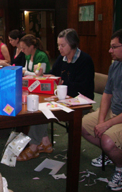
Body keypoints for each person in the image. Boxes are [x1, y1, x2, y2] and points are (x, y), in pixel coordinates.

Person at [17, 28, 95, 162]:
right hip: (62, 98)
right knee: (39, 106)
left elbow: (83, 87)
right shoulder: (62, 59)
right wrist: (44, 75)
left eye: (63, 45)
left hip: (80, 102)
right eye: (58, 45)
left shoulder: (85, 60)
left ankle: (34, 146)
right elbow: (54, 74)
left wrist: (62, 82)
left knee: (43, 109)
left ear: (73, 44)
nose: (59, 48)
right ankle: (45, 142)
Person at [82, 28, 122, 191]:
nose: (110, 50)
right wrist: (101, 121)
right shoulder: (116, 65)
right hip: (114, 111)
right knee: (82, 125)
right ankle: (111, 154)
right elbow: (107, 95)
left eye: (114, 47)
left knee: (107, 140)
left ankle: (121, 170)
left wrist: (106, 126)